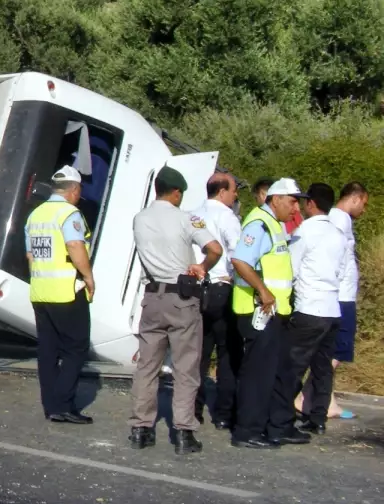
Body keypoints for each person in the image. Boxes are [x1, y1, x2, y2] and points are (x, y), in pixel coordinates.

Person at [128, 167, 221, 455]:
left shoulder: (140, 218)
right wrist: (202, 267)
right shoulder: (186, 218)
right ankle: (183, 431)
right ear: (177, 192)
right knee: (185, 367)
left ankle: (141, 429)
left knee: (147, 366)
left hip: (152, 297)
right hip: (182, 298)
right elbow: (214, 248)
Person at [229, 178, 305, 448]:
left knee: (275, 372)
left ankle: (272, 426)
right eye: (293, 200)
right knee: (257, 374)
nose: (296, 207)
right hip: (258, 310)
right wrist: (262, 290)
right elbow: (240, 259)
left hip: (275, 312)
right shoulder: (259, 223)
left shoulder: (274, 224)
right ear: (276, 199)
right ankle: (247, 431)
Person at [269, 183, 346, 439]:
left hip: (309, 307)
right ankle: (317, 418)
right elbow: (342, 271)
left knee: (293, 366)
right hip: (332, 308)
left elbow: (290, 268)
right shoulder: (338, 235)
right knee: (323, 367)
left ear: (310, 203)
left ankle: (281, 418)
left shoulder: (304, 232)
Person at [23, 166, 96, 424]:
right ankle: (64, 405)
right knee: (76, 348)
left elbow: (31, 255)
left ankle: (51, 406)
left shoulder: (36, 215)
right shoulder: (69, 213)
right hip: (66, 291)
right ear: (74, 190)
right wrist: (87, 276)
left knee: (48, 350)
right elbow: (75, 244)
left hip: (40, 291)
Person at [312, 181, 369, 422]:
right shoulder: (339, 220)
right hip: (340, 296)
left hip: (342, 294)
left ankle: (327, 401)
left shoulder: (339, 220)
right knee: (337, 350)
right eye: (363, 204)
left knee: (336, 351)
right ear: (354, 198)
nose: (363, 210)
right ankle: (309, 396)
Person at [193, 172, 243, 430]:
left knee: (199, 353)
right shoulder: (227, 217)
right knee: (227, 353)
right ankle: (223, 413)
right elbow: (237, 254)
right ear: (222, 191)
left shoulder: (193, 214)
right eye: (234, 190)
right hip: (222, 287)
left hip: (197, 288)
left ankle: (194, 410)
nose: (235, 195)